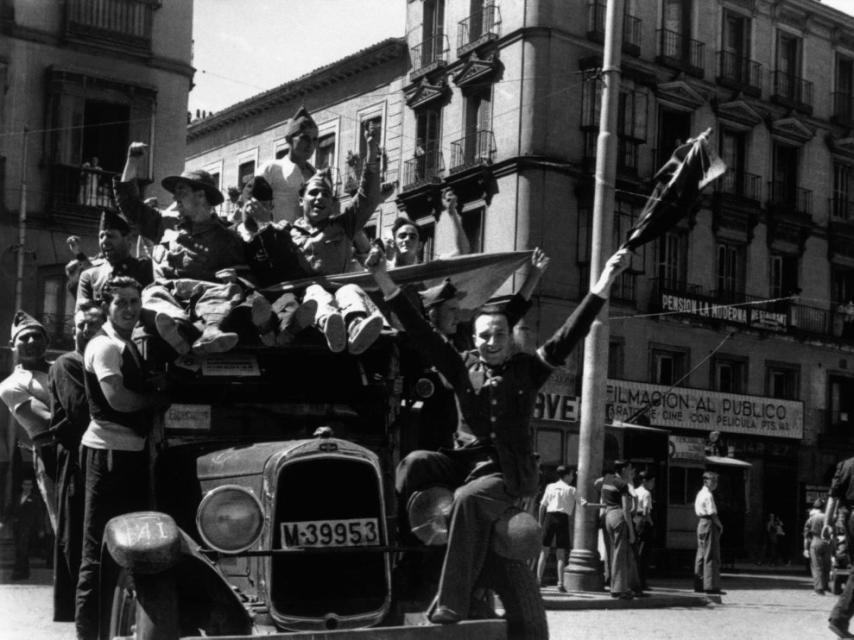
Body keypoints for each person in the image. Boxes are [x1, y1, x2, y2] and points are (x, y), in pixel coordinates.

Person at [367, 242, 631, 623]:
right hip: (462, 461)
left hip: (503, 470)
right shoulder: (460, 366)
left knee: (467, 499)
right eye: (484, 337)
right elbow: (421, 331)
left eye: (499, 336)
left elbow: (570, 333)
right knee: (412, 464)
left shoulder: (529, 368)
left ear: (510, 338)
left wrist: (605, 280)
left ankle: (451, 601)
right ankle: (403, 552)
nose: (491, 343)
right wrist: (381, 277)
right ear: (473, 339)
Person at [75, 276, 166, 640]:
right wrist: (154, 400)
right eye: (121, 303)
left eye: (134, 301)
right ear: (106, 308)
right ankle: (88, 634)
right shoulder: (106, 346)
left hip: (127, 452)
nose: (130, 309)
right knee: (98, 549)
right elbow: (117, 399)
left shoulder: (126, 345)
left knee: (123, 545)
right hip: (108, 453)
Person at [114, 141, 270, 355]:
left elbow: (246, 276)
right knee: (153, 297)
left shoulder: (228, 237)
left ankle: (209, 333)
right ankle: (177, 331)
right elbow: (129, 205)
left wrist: (234, 279)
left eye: (182, 190)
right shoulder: (164, 226)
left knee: (226, 294)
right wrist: (132, 160)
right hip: (169, 299)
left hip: (210, 300)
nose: (174, 197)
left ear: (201, 196)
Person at [47, 302, 105, 621]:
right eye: (81, 324)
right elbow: (83, 413)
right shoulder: (69, 363)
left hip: (96, 457)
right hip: (79, 463)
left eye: (93, 324)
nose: (85, 329)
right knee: (80, 542)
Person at [0, 311, 57, 532]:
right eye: (24, 338)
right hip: (51, 453)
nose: (31, 341)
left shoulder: (63, 367)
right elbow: (48, 420)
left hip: (87, 447)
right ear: (12, 344)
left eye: (37, 336)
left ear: (47, 340)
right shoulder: (11, 385)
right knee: (62, 523)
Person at [76, 210, 153, 309]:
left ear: (128, 239)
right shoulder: (89, 276)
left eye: (110, 236)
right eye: (101, 236)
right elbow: (82, 315)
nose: (104, 241)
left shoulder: (145, 268)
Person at [257, 105, 318, 223]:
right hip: (278, 238)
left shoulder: (318, 176)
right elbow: (255, 207)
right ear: (289, 139)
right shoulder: (271, 169)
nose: (310, 144)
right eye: (304, 138)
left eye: (315, 139)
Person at [595, 459, 638, 599]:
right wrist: (631, 532)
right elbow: (626, 509)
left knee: (612, 553)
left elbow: (596, 483)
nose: (631, 472)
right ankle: (620, 589)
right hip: (619, 516)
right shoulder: (622, 484)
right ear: (624, 469)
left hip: (608, 516)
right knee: (620, 555)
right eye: (629, 469)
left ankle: (614, 585)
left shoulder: (607, 479)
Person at [824, 457, 854, 638]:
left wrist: (828, 522)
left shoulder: (846, 464)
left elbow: (833, 495)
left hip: (849, 517)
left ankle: (839, 619)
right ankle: (839, 618)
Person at [536, 465, 576, 593]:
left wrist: (540, 522)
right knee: (561, 553)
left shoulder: (550, 487)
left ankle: (537, 580)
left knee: (544, 551)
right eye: (571, 474)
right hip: (562, 519)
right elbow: (583, 502)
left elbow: (542, 506)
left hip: (549, 517)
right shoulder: (571, 489)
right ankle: (560, 583)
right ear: (567, 475)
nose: (573, 477)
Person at [694, 471, 724, 595]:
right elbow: (712, 512)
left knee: (701, 554)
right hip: (709, 522)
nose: (715, 484)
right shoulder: (708, 495)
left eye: (716, 481)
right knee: (710, 554)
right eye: (713, 480)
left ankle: (699, 584)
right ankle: (711, 586)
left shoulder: (700, 493)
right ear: (706, 481)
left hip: (701, 523)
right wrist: (719, 525)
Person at [8, 476, 41, 580]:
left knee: (22, 550)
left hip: (28, 528)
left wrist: (41, 529)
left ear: (31, 486)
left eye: (29, 484)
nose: (27, 486)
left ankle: (17, 573)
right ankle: (25, 573)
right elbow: (10, 510)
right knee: (20, 550)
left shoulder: (35, 499)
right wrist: (2, 522)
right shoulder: (18, 497)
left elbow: (38, 514)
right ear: (22, 486)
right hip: (17, 527)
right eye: (25, 484)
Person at [633, 470, 656, 591]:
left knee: (637, 552)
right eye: (651, 481)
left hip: (635, 522)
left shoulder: (634, 491)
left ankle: (635, 579)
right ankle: (641, 582)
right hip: (644, 523)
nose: (653, 484)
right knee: (644, 554)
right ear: (644, 481)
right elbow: (647, 511)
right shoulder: (647, 493)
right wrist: (651, 523)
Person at [804, 498, 830, 596]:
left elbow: (806, 535)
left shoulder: (811, 519)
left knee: (816, 566)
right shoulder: (828, 517)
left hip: (815, 541)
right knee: (827, 565)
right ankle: (826, 586)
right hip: (827, 542)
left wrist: (806, 548)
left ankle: (819, 588)